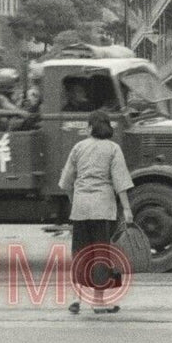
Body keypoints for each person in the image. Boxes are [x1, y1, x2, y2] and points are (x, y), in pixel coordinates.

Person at [58, 109, 133, 316]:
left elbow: (65, 183)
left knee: (80, 253)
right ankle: (99, 302)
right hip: (103, 209)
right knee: (102, 254)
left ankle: (76, 298)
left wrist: (75, 200)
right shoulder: (113, 148)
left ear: (90, 128)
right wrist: (127, 209)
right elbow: (121, 182)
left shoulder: (78, 147)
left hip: (80, 209)